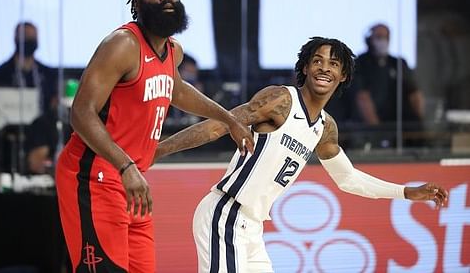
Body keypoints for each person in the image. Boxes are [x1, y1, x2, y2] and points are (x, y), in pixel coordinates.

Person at [154, 37, 449, 273]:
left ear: (342, 75)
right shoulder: (281, 99)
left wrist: (407, 192)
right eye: (317, 61)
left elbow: (348, 179)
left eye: (333, 64)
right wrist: (160, 149)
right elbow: (220, 124)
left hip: (252, 227)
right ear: (305, 68)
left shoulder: (324, 127)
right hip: (225, 215)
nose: (324, 68)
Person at [55, 0, 254, 273]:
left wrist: (228, 118)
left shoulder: (172, 51)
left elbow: (176, 89)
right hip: (94, 178)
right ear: (138, 4)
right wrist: (126, 166)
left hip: (132, 181)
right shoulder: (122, 45)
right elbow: (81, 113)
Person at [354, 23, 425, 147]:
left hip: (399, 124)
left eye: (386, 37)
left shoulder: (398, 63)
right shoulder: (360, 63)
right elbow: (362, 98)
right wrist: (378, 132)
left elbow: (414, 94)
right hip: (371, 128)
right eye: (379, 37)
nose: (383, 41)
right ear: (369, 40)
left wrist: (419, 125)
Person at [0, 21, 57, 113]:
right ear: (16, 38)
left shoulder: (48, 74)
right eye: (26, 36)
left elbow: (54, 102)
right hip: (11, 125)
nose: (30, 39)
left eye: (33, 37)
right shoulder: (1, 74)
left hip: (43, 124)